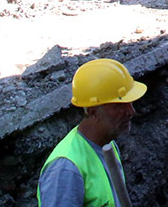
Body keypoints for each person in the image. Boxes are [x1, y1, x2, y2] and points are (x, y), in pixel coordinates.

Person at [38, 58, 146, 207]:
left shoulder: (109, 145)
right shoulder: (66, 169)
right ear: (93, 112)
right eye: (119, 105)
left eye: (130, 103)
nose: (131, 112)